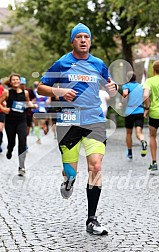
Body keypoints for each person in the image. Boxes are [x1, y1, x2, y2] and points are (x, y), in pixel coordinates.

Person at [37, 23, 118, 235]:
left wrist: (115, 87)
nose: (83, 40)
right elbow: (41, 87)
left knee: (96, 167)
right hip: (69, 121)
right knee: (70, 171)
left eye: (86, 37)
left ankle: (92, 219)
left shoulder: (99, 64)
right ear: (72, 41)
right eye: (79, 37)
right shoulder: (62, 63)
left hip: (94, 120)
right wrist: (61, 90)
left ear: (90, 41)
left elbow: (109, 84)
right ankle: (68, 181)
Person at [0, 73, 37, 176]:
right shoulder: (7, 92)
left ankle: (21, 166)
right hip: (10, 122)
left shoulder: (25, 93)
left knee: (22, 142)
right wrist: (4, 109)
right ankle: (9, 149)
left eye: (17, 79)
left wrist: (33, 105)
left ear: (20, 81)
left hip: (22, 120)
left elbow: (28, 102)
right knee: (12, 142)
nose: (16, 81)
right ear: (10, 82)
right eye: (14, 80)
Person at [143, 60, 159, 171]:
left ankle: (154, 162)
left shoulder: (149, 81)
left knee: (152, 136)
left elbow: (146, 95)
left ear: (153, 70)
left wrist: (147, 108)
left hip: (155, 114)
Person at [122, 71, 147, 160]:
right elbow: (145, 97)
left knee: (129, 133)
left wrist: (123, 100)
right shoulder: (140, 86)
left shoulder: (126, 86)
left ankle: (129, 152)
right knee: (139, 132)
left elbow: (125, 93)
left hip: (129, 111)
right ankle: (143, 141)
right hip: (140, 111)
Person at [0, 79, 5, 153]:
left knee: (0, 128)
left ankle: (0, 143)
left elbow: (4, 98)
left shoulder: (1, 88)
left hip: (0, 111)